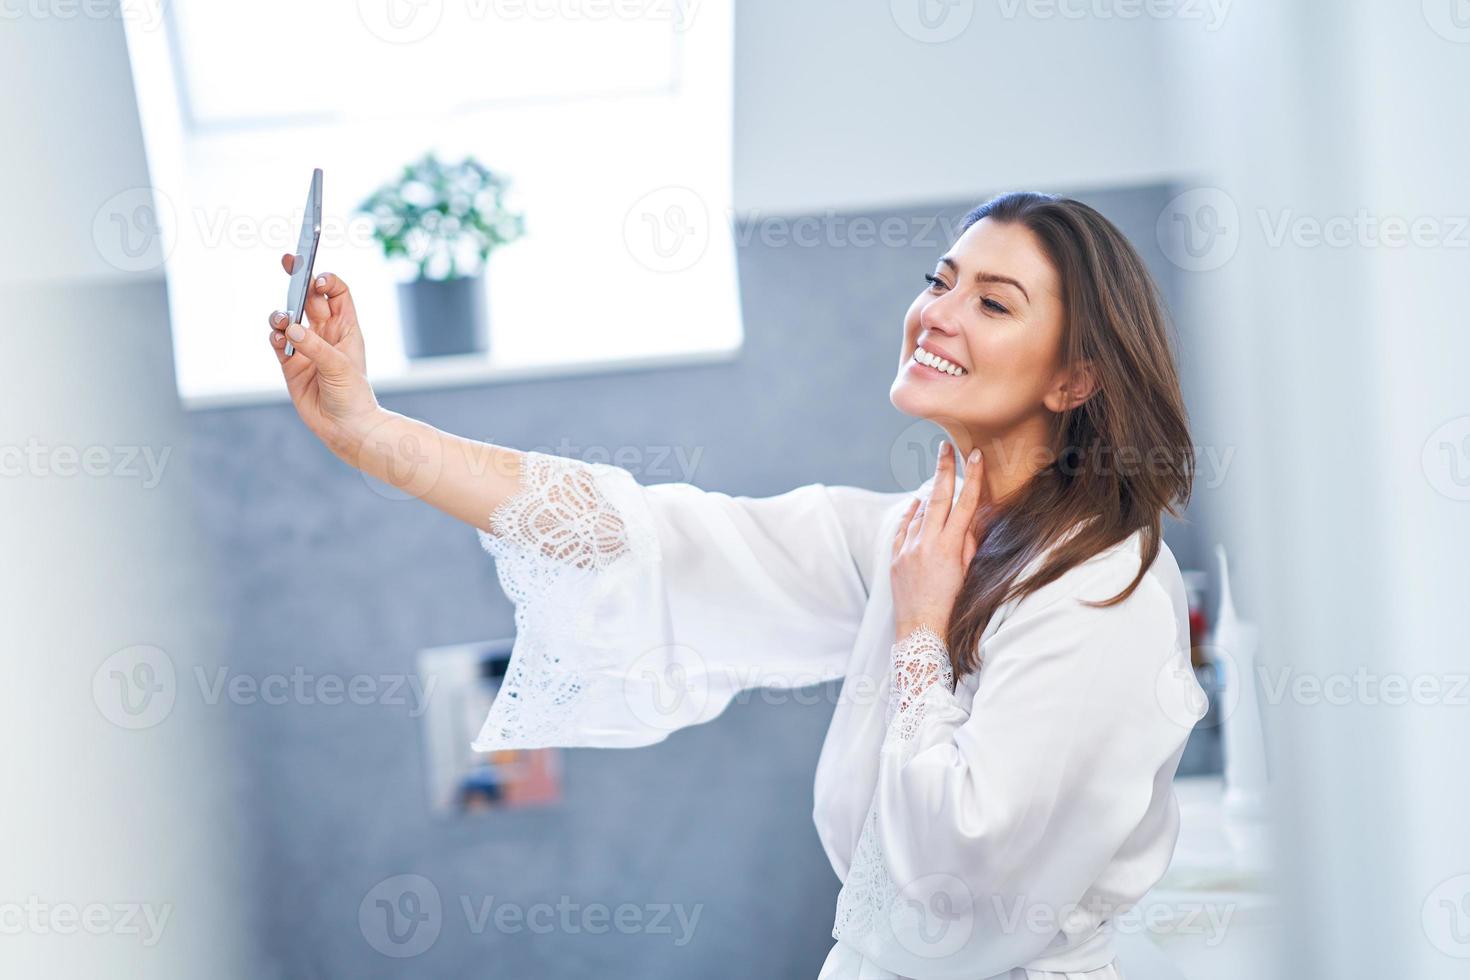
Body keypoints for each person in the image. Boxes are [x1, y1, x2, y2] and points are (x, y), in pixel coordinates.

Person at [267, 191, 1207, 979]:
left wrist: (920, 631)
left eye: (995, 304)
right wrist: (373, 435)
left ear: (1075, 379)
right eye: (940, 280)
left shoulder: (1102, 594)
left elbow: (965, 874)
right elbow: (654, 538)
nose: (938, 314)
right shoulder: (920, 538)